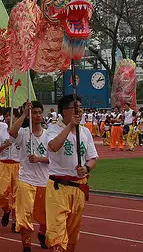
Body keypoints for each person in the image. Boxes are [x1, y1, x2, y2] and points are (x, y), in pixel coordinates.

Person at [45, 94, 98, 252]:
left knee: (72, 233)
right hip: (58, 187)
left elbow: (92, 158)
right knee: (57, 233)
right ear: (64, 111)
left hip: (78, 187)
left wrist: (86, 168)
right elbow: (53, 146)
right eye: (75, 108)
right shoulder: (53, 129)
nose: (79, 111)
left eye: (81, 108)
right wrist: (69, 127)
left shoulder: (85, 132)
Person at [9, 101, 49, 251]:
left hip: (44, 181)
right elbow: (12, 133)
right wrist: (25, 113)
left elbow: (55, 159)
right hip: (26, 179)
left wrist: (39, 159)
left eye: (39, 112)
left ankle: (42, 233)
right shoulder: (24, 133)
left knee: (45, 215)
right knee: (24, 214)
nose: (37, 115)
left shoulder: (49, 135)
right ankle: (26, 245)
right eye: (34, 113)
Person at [0, 107, 21, 232]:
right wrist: (5, 145)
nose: (8, 118)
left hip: (19, 166)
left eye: (11, 115)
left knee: (17, 195)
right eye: (6, 116)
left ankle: (15, 221)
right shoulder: (1, 132)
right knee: (0, 194)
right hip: (4, 165)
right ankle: (6, 210)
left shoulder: (24, 131)